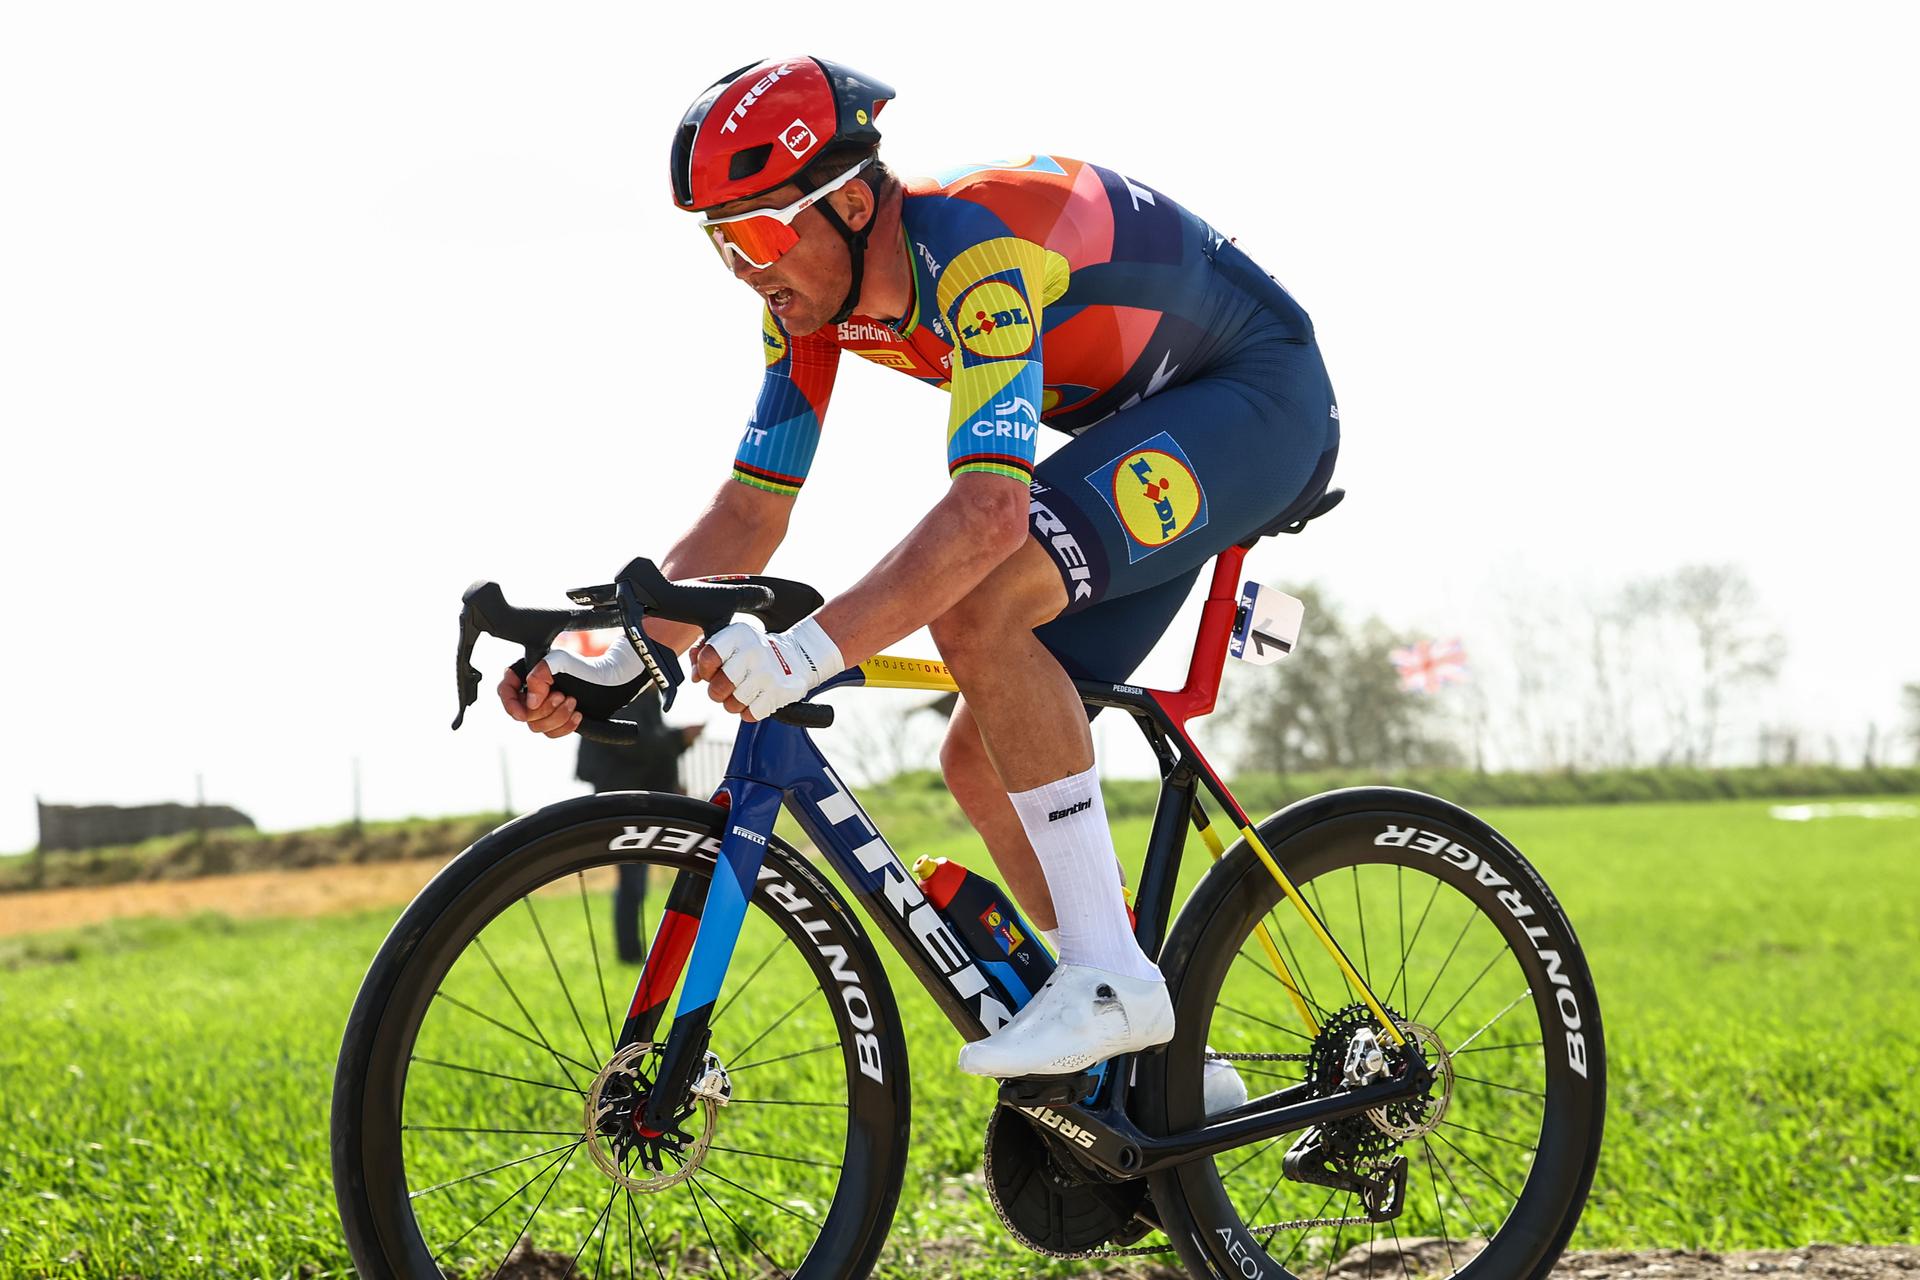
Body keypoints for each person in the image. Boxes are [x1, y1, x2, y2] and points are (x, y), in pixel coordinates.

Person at [498, 56, 1339, 1083]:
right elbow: (750, 511)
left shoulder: (977, 250)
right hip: (1140, 422)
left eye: (759, 233)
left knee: (979, 608)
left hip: (1257, 394)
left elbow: (989, 512)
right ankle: (1165, 1063)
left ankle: (1111, 978)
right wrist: (616, 655)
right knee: (980, 757)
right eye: (722, 245)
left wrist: (810, 650)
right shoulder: (809, 310)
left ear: (851, 200)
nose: (746, 268)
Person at [574, 686, 703, 963]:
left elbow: (651, 749)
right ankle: (631, 953)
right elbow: (637, 744)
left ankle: (632, 952)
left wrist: (671, 782)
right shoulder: (626, 696)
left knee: (635, 880)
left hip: (631, 798)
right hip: (623, 800)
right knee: (632, 881)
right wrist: (680, 738)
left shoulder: (639, 696)